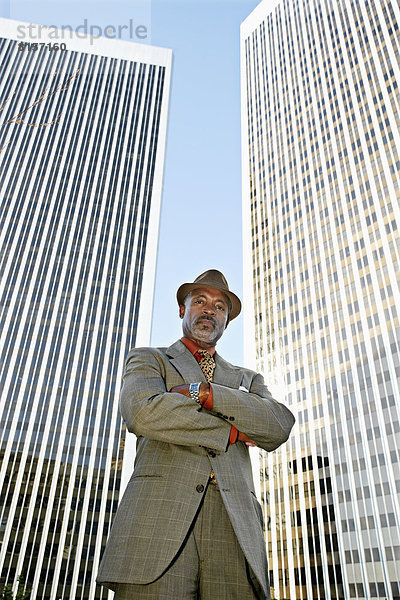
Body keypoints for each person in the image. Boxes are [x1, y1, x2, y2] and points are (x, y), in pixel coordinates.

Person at [97, 269, 295, 599]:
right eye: (200, 301)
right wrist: (232, 430)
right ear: (182, 309)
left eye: (219, 306)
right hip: (159, 519)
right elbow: (144, 412)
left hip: (234, 526)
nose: (209, 310)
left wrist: (204, 393)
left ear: (227, 321)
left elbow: (278, 425)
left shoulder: (250, 378)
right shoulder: (150, 359)